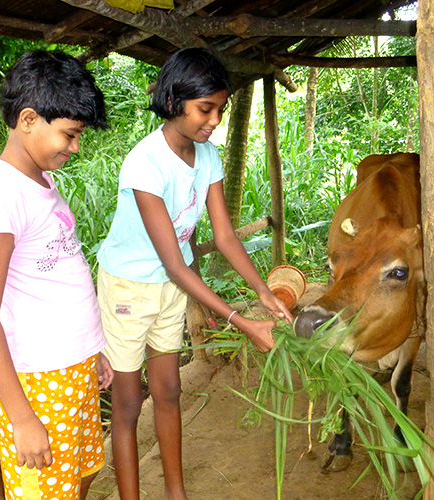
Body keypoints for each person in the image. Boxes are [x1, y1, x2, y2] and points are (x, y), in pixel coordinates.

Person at [96, 47, 293, 500]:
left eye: (220, 109)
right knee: (127, 405)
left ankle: (175, 493)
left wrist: (262, 291)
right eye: (206, 109)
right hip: (129, 286)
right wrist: (241, 322)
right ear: (172, 102)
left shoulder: (206, 156)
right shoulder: (145, 164)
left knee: (168, 391)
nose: (215, 120)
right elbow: (173, 262)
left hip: (170, 286)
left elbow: (224, 236)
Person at [0, 50, 113, 500]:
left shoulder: (41, 181)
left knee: (77, 478)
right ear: (28, 119)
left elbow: (57, 276)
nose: (75, 147)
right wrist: (23, 418)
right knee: (46, 490)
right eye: (69, 135)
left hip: (73, 370)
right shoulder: (0, 198)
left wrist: (94, 352)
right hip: (39, 384)